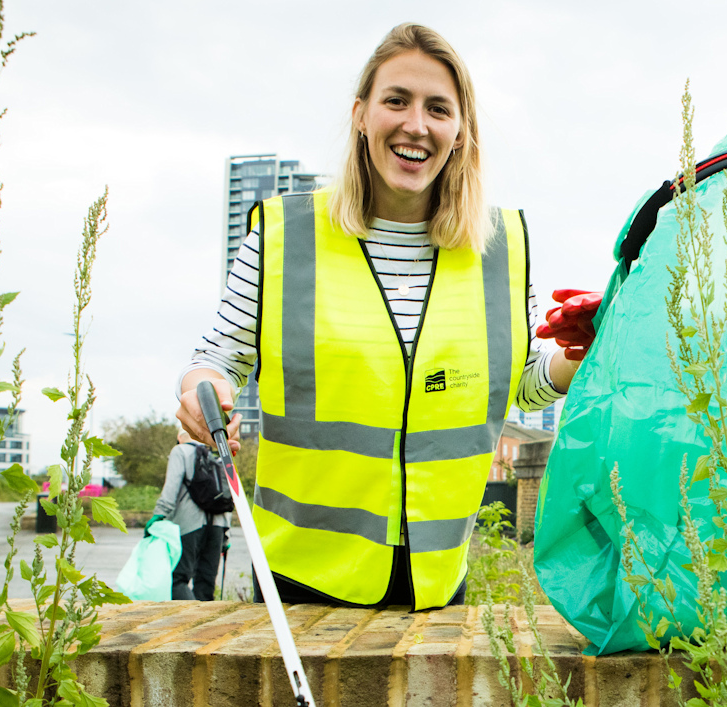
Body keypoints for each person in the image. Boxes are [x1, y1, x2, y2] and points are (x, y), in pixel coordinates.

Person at [174, 23, 594, 610]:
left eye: (438, 108)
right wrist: (204, 392)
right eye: (396, 100)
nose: (415, 124)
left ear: (460, 131)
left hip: (438, 585)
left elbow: (522, 380)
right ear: (361, 114)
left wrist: (579, 357)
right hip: (303, 585)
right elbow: (214, 361)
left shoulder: (500, 248)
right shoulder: (283, 237)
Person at [150, 430, 231, 601]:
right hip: (217, 526)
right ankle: (205, 624)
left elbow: (171, 488)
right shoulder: (214, 455)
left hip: (189, 524)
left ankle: (190, 621)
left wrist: (158, 516)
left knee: (178, 579)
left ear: (180, 438)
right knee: (206, 581)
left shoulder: (179, 451)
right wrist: (226, 535)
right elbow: (226, 495)